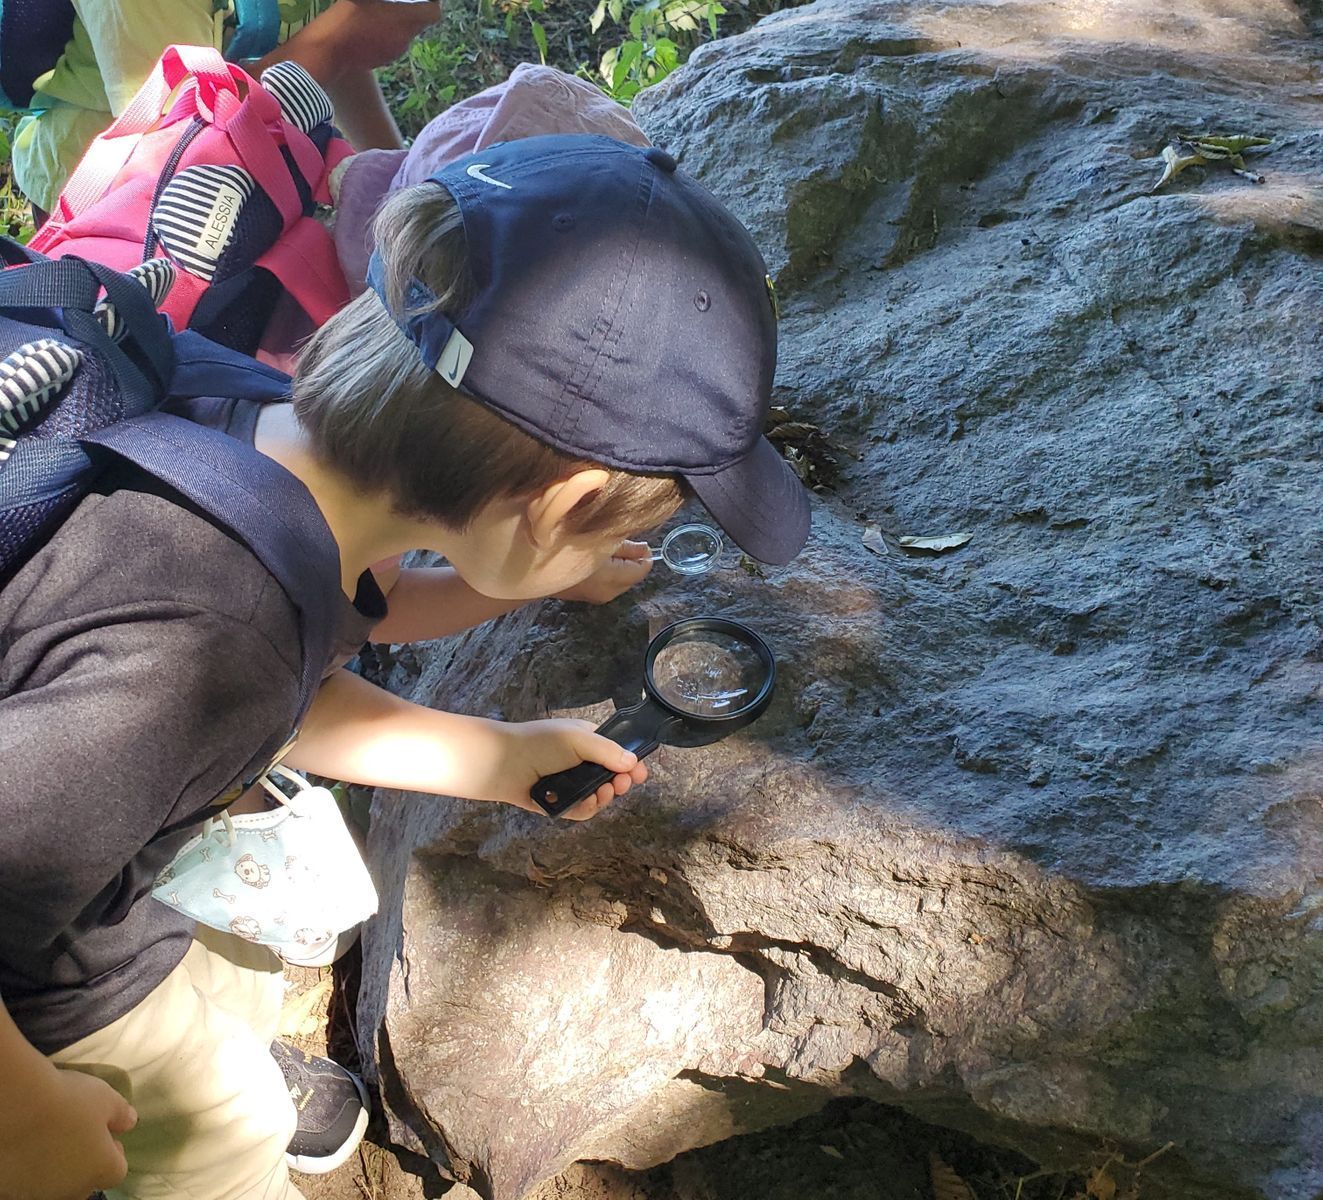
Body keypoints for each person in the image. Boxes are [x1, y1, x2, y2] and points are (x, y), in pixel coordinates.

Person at [0, 133, 810, 1200]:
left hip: (94, 833)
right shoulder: (208, 635)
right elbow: (242, 670)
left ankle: (219, 1051)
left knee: (228, 990)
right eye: (587, 532)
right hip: (42, 973)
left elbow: (305, 658)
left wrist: (496, 747)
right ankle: (213, 1128)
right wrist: (25, 1124)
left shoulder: (254, 427)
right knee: (222, 1136)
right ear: (555, 509)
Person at [11, 0, 440, 221]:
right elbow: (176, 148)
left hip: (251, 186)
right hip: (109, 205)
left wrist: (405, 185)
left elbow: (335, 41)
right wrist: (337, 39)